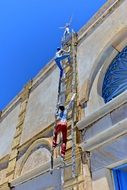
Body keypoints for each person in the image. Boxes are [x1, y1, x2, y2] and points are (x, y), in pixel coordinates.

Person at [52, 93, 76, 158]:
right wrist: (74, 96)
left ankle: (54, 144)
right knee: (64, 140)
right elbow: (71, 103)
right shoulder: (66, 110)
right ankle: (63, 153)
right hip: (64, 125)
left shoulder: (59, 113)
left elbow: (56, 113)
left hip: (60, 124)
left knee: (55, 133)